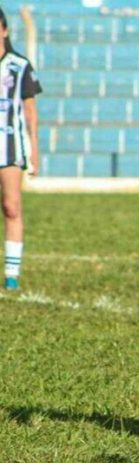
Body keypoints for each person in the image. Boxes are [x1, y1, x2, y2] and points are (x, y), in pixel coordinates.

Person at [0, 8, 42, 290]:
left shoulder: (19, 65)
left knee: (11, 206)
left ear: (4, 30)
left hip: (9, 146)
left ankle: (11, 275)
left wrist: (35, 148)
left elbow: (29, 111)